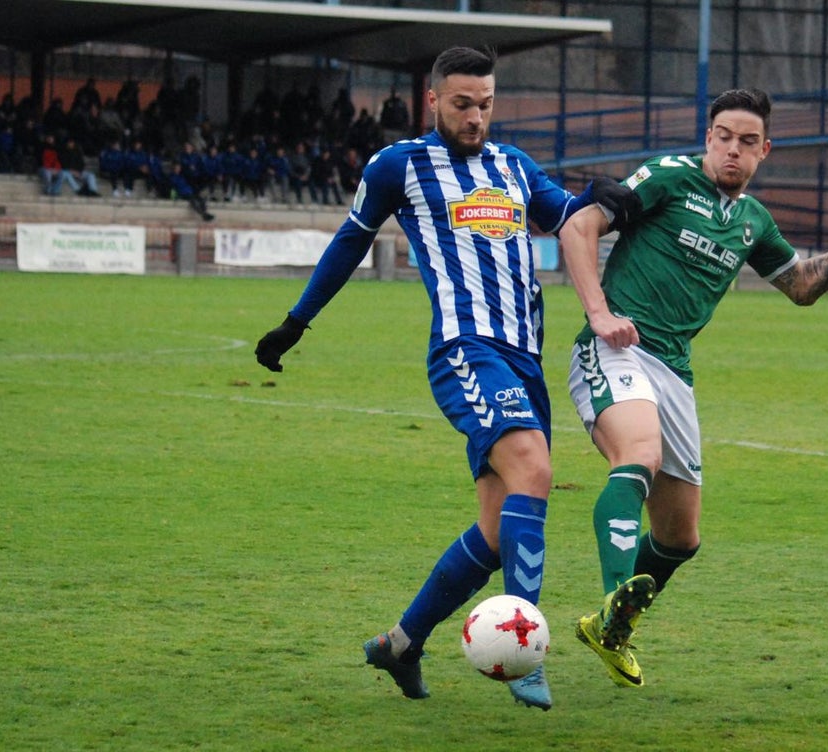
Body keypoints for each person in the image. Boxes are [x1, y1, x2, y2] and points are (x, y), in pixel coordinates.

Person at [253, 46, 620, 712]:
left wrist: (605, 195)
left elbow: (567, 214)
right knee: (534, 471)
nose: (476, 117)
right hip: (463, 350)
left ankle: (401, 643)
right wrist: (295, 322)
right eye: (462, 104)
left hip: (522, 360)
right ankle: (525, 649)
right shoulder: (400, 165)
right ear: (432, 100)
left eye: (485, 103)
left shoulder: (514, 166)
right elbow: (349, 240)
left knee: (492, 528)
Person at [558, 88, 828, 689]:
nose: (732, 149)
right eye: (722, 136)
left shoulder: (752, 221)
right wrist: (598, 313)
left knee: (679, 537)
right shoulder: (666, 178)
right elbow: (581, 226)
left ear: (765, 150)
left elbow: (802, 285)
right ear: (707, 138)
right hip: (617, 349)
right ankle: (615, 598)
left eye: (746, 141)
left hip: (674, 372)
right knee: (638, 456)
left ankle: (607, 631)